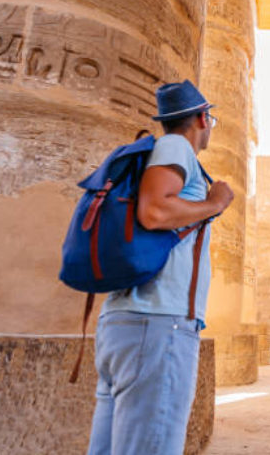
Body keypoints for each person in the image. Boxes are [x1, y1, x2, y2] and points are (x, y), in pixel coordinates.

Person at [87, 80, 234, 455]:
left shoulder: (166, 150)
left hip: (130, 324)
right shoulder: (174, 147)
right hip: (158, 325)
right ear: (203, 118)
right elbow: (154, 212)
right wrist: (215, 203)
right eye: (210, 119)